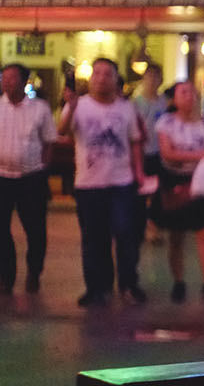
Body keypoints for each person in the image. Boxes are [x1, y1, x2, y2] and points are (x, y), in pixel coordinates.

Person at [58, 58, 146, 306]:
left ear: (116, 79)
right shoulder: (79, 105)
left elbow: (134, 142)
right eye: (97, 73)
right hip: (88, 184)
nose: (101, 78)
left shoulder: (126, 108)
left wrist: (139, 173)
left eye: (108, 74)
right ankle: (97, 287)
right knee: (94, 238)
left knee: (126, 234)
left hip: (121, 182)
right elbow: (62, 131)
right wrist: (70, 107)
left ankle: (129, 283)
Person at [153, 81, 204, 303]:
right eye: (183, 92)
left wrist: (203, 156)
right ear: (174, 99)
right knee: (176, 235)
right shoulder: (166, 123)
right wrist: (200, 155)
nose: (189, 96)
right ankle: (178, 281)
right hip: (175, 180)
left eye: (192, 92)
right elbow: (168, 153)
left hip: (202, 181)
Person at [0, 63, 56, 295]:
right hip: (2, 177)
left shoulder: (40, 108)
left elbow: (49, 141)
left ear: (24, 81)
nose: (7, 82)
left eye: (12, 78)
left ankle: (34, 270)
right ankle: (6, 275)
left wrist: (43, 169)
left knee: (35, 229)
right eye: (4, 78)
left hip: (31, 177)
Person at [130, 61, 168, 246]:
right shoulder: (134, 103)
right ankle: (139, 228)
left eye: (156, 76)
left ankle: (154, 226)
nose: (152, 80)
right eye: (149, 76)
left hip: (159, 154)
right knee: (139, 194)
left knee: (159, 194)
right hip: (140, 154)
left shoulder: (164, 102)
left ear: (161, 80)